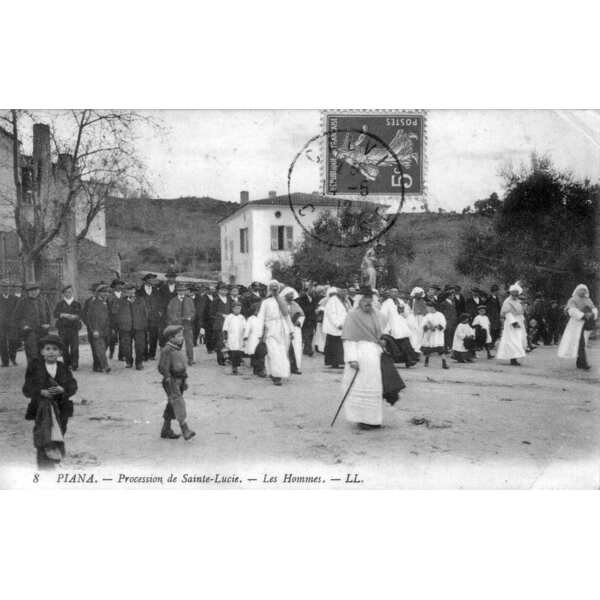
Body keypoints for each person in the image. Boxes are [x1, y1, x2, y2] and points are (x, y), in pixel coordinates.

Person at [341, 286, 399, 429]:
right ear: (359, 301)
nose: (368, 302)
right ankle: (361, 419)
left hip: (374, 354)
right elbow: (348, 340)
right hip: (359, 355)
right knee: (360, 388)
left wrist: (383, 340)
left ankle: (372, 420)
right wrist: (352, 358)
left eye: (370, 299)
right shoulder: (352, 316)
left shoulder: (378, 315)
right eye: (364, 299)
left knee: (375, 388)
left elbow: (384, 332)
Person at [23, 335, 77, 469]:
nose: (51, 352)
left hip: (61, 409)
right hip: (42, 409)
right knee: (43, 435)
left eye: (55, 349)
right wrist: (40, 392)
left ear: (60, 353)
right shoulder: (35, 367)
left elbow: (73, 386)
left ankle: (53, 462)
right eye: (47, 349)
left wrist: (62, 389)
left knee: (59, 435)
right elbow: (27, 388)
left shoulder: (63, 367)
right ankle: (43, 467)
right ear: (42, 352)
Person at [157, 325, 195, 440]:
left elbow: (182, 366)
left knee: (171, 404)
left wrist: (185, 381)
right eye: (179, 336)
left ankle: (166, 429)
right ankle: (185, 429)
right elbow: (162, 367)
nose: (181, 338)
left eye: (181, 335)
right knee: (178, 403)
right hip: (172, 381)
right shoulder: (167, 350)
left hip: (180, 380)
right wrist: (168, 378)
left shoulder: (177, 348)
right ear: (171, 338)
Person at [255, 280, 292, 386]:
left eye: (276, 287)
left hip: (281, 329)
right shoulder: (266, 302)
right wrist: (259, 333)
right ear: (269, 289)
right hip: (269, 329)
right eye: (272, 287)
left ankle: (278, 373)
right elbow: (261, 317)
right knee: (273, 352)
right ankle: (276, 376)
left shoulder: (282, 300)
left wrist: (291, 330)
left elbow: (286, 315)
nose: (275, 289)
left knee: (281, 353)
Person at [557, 284, 597, 370]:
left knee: (582, 343)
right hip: (576, 324)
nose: (583, 291)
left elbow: (594, 309)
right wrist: (582, 315)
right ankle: (583, 363)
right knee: (581, 343)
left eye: (584, 290)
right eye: (581, 290)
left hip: (586, 323)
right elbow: (571, 310)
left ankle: (580, 362)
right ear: (577, 290)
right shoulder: (573, 299)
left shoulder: (588, 300)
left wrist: (592, 314)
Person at [14, 282, 52, 365]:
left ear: (38, 291)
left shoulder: (43, 300)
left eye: (35, 290)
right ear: (28, 292)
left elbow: (49, 314)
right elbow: (17, 317)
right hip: (30, 331)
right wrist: (24, 325)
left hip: (43, 330)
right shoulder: (22, 302)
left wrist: (48, 324)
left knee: (43, 351)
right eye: (31, 290)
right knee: (32, 351)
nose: (34, 292)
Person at [380, 288, 418, 368]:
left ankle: (410, 360)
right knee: (394, 343)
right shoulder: (386, 303)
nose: (394, 293)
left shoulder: (401, 302)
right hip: (392, 325)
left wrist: (403, 312)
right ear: (390, 293)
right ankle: (395, 359)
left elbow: (406, 313)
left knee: (405, 342)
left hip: (401, 325)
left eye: (396, 292)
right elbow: (383, 316)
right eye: (393, 292)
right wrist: (387, 327)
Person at [117, 283, 148, 370]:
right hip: (125, 327)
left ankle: (139, 363)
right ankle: (128, 361)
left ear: (135, 291)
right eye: (128, 291)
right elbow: (117, 314)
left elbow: (145, 313)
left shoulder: (141, 300)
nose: (130, 292)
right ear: (125, 292)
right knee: (126, 346)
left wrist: (144, 325)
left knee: (140, 346)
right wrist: (120, 325)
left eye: (132, 290)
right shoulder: (121, 301)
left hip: (139, 327)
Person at [496, 283, 527, 366]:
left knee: (518, 339)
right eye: (513, 292)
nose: (515, 294)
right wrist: (514, 322)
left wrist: (522, 321)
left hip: (519, 320)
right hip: (511, 322)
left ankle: (515, 357)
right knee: (512, 340)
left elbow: (521, 313)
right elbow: (507, 313)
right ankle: (513, 359)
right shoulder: (507, 302)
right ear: (510, 293)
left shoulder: (518, 301)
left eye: (516, 292)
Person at [83, 284, 112, 373]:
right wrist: (93, 330)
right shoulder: (93, 304)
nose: (106, 294)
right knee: (100, 348)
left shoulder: (107, 302)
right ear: (98, 293)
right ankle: (105, 366)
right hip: (97, 330)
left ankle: (97, 366)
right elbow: (89, 318)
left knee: (103, 348)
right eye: (104, 292)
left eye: (107, 292)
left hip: (106, 330)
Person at [166, 283, 196, 366]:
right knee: (176, 343)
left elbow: (193, 311)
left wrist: (190, 317)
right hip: (177, 325)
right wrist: (174, 320)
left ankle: (190, 359)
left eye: (183, 290)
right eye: (179, 290)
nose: (181, 292)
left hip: (187, 325)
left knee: (189, 343)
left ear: (185, 291)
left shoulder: (189, 300)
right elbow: (169, 313)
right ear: (177, 291)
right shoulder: (173, 301)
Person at [53, 284, 82, 370]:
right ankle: (67, 363)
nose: (68, 294)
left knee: (75, 347)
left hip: (73, 328)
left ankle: (74, 363)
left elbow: (81, 314)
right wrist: (63, 315)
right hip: (63, 329)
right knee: (64, 347)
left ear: (72, 293)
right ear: (63, 294)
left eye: (69, 292)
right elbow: (55, 314)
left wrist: (76, 317)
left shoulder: (76, 304)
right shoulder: (60, 304)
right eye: (66, 292)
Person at [137, 273, 162, 360]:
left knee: (154, 336)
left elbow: (159, 302)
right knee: (143, 336)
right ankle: (144, 354)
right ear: (146, 280)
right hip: (143, 316)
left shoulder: (156, 290)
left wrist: (159, 312)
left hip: (154, 317)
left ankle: (152, 354)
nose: (152, 280)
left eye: (153, 279)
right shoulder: (139, 291)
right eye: (151, 279)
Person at [323, 286, 347, 369]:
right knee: (334, 346)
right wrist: (337, 324)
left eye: (345, 292)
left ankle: (337, 362)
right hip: (334, 327)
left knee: (337, 346)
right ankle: (334, 363)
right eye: (343, 292)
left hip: (340, 327)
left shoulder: (343, 300)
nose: (345, 293)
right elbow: (331, 314)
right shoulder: (333, 300)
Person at [282, 286, 305, 375]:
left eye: (292, 294)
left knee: (296, 348)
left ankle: (294, 367)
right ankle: (284, 367)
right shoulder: (281, 304)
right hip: (284, 328)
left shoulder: (295, 304)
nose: (291, 296)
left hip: (295, 329)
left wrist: (299, 322)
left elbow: (302, 315)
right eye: (289, 294)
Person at [421, 301, 449, 369]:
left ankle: (444, 363)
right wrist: (428, 326)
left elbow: (443, 324)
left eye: (428, 307)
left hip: (437, 335)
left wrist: (436, 327)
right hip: (429, 334)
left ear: (432, 307)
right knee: (428, 349)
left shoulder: (440, 315)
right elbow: (423, 324)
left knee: (441, 350)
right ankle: (426, 362)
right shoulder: (427, 315)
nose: (427, 309)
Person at [222, 301, 246, 375]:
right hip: (231, 337)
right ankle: (234, 368)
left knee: (239, 353)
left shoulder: (242, 317)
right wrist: (225, 338)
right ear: (233, 309)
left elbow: (245, 327)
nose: (237, 310)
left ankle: (237, 367)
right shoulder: (229, 317)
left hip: (240, 337)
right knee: (233, 353)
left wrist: (245, 336)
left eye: (239, 308)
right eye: (236, 308)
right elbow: (225, 328)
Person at [0, 280, 19, 367]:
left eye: (7, 287)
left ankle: (13, 358)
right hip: (1, 324)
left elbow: (18, 311)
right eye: (3, 287)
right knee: (2, 342)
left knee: (14, 341)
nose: (5, 289)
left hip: (12, 324)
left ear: (9, 288)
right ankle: (5, 362)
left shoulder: (14, 298)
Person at [297, 284, 317, 356]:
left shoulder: (313, 298)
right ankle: (309, 349)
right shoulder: (302, 298)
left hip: (312, 319)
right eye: (310, 289)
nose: (312, 291)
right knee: (306, 334)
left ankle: (306, 349)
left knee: (311, 334)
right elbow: (303, 309)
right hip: (306, 319)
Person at [107, 278, 125, 360]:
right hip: (113, 320)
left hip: (123, 320)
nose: (119, 286)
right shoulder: (109, 296)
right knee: (113, 337)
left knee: (123, 337)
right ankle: (111, 351)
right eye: (117, 285)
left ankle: (121, 355)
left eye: (120, 285)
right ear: (114, 286)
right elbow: (107, 309)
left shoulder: (124, 296)